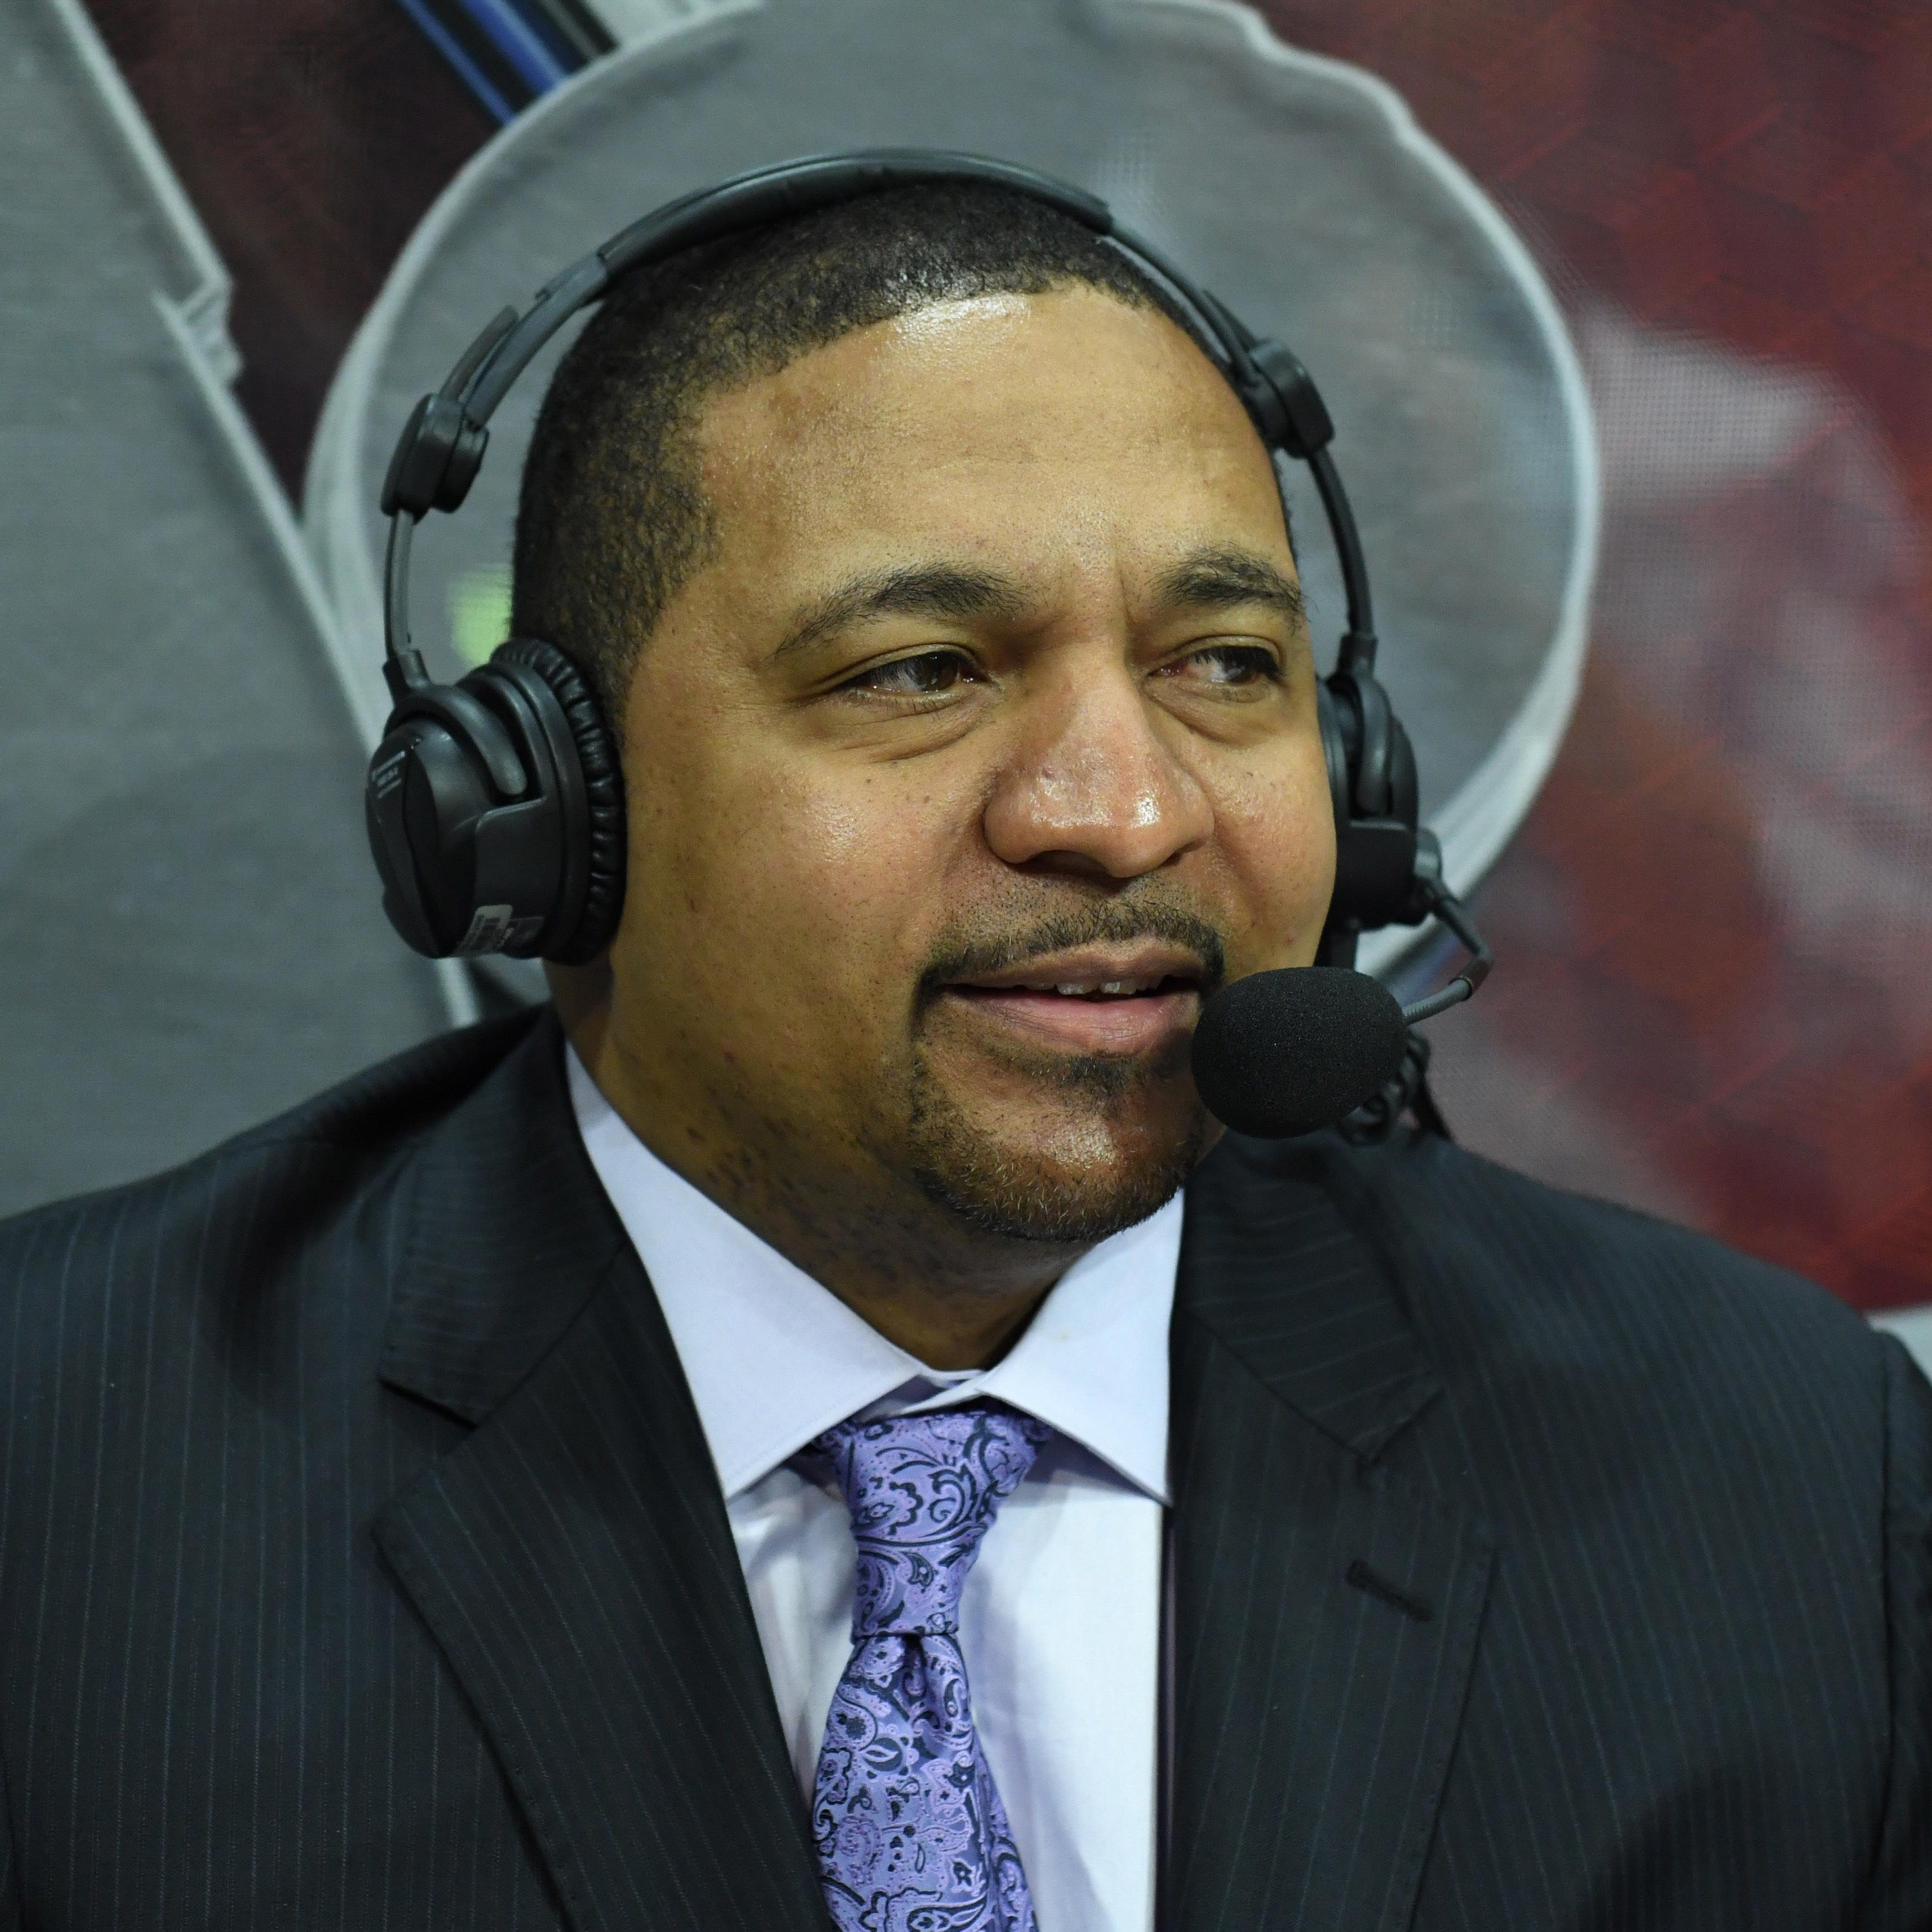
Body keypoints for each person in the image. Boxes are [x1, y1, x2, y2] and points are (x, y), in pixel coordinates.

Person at [1, 175, 1926, 1932]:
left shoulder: (1781, 1484)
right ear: (540, 815)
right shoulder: (64, 1484)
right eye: (919, 671)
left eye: (1223, 667)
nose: (1120, 807)